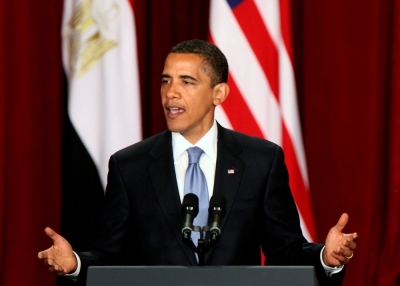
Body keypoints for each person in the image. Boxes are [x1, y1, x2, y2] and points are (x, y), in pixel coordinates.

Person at [38, 39, 358, 285]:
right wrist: (75, 264)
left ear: (219, 93)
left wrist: (326, 257)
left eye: (186, 82)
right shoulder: (130, 166)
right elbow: (110, 255)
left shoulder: (261, 160)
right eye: (166, 81)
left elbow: (285, 251)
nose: (170, 93)